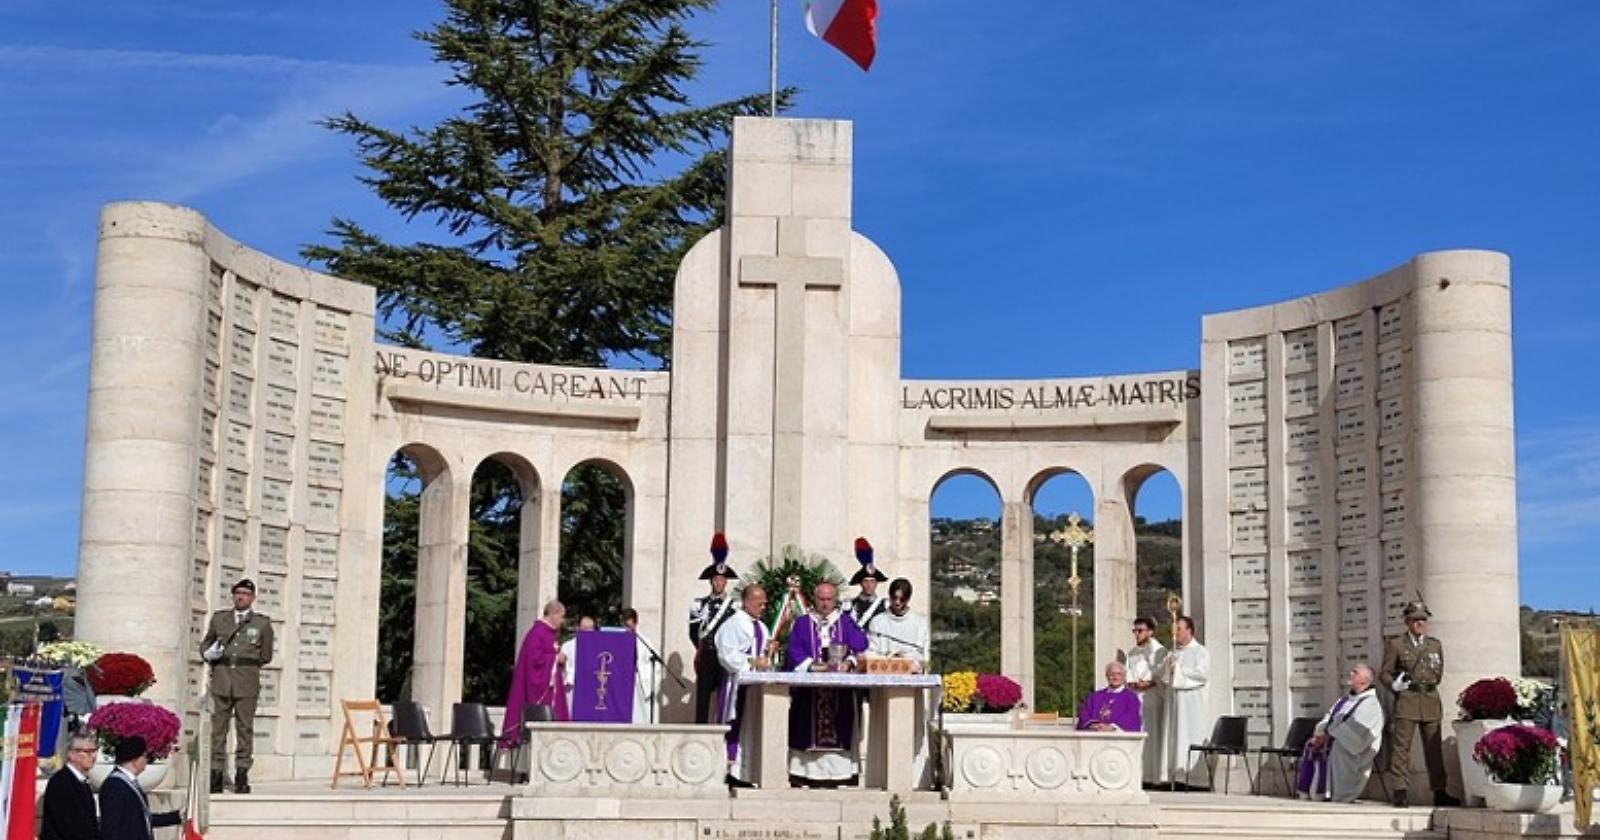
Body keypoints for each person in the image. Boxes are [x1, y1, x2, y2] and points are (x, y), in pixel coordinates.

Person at [785, 581, 870, 787]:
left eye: (829, 599)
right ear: (815, 599)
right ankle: (804, 772)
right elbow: (793, 651)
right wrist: (812, 666)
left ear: (835, 600)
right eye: (821, 599)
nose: (825, 604)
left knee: (841, 723)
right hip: (810, 688)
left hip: (839, 688)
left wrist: (848, 663)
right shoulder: (803, 623)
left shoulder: (845, 622)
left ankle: (839, 773)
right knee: (805, 724)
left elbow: (860, 645)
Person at [1379, 599, 1459, 808]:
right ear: (1407, 621)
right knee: (1401, 749)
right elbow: (1384, 673)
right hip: (1407, 700)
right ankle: (1400, 791)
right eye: (1415, 620)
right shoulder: (1396, 644)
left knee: (1434, 749)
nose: (1419, 623)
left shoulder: (1435, 644)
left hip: (1430, 700)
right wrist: (1393, 686)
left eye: (1423, 619)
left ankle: (1440, 791)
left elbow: (1438, 673)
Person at [199, 577, 274, 794]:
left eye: (246, 594)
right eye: (238, 593)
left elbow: (266, 655)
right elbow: (206, 643)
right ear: (233, 596)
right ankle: (216, 772)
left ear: (252, 598)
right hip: (222, 679)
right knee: (218, 730)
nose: (241, 597)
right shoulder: (220, 619)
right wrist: (208, 653)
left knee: (244, 729)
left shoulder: (262, 624)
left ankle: (242, 773)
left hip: (246, 682)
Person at [1297, 663, 1385, 803]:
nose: (1350, 674)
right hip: (1334, 740)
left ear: (1364, 681)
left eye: (1355, 672)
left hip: (1354, 751)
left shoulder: (1371, 705)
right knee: (1311, 745)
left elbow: (1359, 733)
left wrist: (1329, 737)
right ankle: (1314, 792)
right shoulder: (1343, 701)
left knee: (1337, 747)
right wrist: (1320, 735)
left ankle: (1335, 793)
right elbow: (1328, 718)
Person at [715, 584, 772, 787]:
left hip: (756, 686)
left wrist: (769, 654)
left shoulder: (761, 627)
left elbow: (764, 655)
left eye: (765, 602)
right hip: (737, 685)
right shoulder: (733, 624)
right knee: (734, 727)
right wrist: (751, 662)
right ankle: (729, 771)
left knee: (751, 727)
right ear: (747, 601)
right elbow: (726, 654)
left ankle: (748, 773)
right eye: (759, 602)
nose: (763, 606)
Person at [503, 599, 571, 745]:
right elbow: (534, 662)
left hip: (551, 686)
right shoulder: (537, 633)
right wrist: (555, 658)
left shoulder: (548, 633)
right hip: (541, 690)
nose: (563, 620)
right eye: (562, 616)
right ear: (553, 613)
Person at [689, 533, 738, 724]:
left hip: (725, 655)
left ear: (726, 582)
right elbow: (693, 632)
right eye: (716, 580)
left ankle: (723, 730)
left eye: (722, 580)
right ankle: (700, 730)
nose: (719, 583)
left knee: (724, 696)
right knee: (702, 696)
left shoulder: (734, 607)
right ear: (711, 582)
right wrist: (701, 648)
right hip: (708, 654)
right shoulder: (698, 605)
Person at [1161, 615, 1210, 788]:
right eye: (1174, 629)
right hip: (1174, 703)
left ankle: (1194, 779)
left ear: (1189, 630)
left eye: (1179, 629)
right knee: (1174, 737)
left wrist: (1179, 670)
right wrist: (1169, 666)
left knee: (1189, 736)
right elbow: (1165, 678)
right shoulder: (1172, 652)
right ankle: (1173, 777)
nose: (1175, 633)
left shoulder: (1200, 651)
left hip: (1191, 705)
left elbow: (1202, 674)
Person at [98, 736, 180, 840]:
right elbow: (112, 829)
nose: (146, 760)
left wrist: (175, 817)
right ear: (135, 760)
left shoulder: (130, 783)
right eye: (144, 756)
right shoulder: (114, 786)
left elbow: (142, 819)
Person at [1126, 617, 1168, 784]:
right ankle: (1140, 774)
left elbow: (1162, 674)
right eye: (1134, 631)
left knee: (1153, 735)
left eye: (1140, 630)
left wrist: (1150, 682)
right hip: (1137, 696)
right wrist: (1132, 682)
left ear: (1150, 632)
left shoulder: (1159, 651)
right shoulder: (1133, 653)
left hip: (1152, 697)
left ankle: (1155, 776)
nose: (1136, 634)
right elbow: (1128, 671)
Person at [41, 732, 100, 840]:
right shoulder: (60, 782)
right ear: (72, 754)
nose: (93, 756)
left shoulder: (83, 782)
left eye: (94, 751)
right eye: (87, 751)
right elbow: (67, 825)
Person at [867, 578, 929, 671]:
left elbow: (924, 656)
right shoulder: (877, 622)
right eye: (894, 598)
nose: (897, 602)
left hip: (912, 680)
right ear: (889, 596)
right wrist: (892, 659)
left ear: (908, 599)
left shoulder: (921, 624)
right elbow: (870, 654)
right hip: (883, 677)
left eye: (902, 599)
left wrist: (904, 660)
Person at [622, 608, 663, 724]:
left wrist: (650, 685)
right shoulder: (617, 641)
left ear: (635, 623)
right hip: (623, 682)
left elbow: (657, 668)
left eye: (630, 625)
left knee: (641, 715)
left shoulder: (645, 643)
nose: (627, 629)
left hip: (639, 682)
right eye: (625, 625)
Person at [1077, 662, 1142, 733]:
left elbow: (1132, 716)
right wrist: (1092, 725)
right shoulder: (1095, 696)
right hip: (1095, 736)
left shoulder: (1131, 697)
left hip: (1119, 738)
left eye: (1119, 674)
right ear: (1107, 676)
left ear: (1124, 676)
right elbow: (1084, 714)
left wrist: (1112, 727)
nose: (1115, 677)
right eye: (1112, 674)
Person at [847, 537, 890, 628]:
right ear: (861, 583)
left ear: (876, 583)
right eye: (865, 581)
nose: (869, 585)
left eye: (872, 581)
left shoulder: (885, 605)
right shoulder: (849, 605)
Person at [559, 615, 597, 712]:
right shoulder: (567, 645)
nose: (588, 631)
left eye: (590, 628)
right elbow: (561, 663)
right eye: (585, 628)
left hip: (592, 687)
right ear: (578, 628)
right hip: (573, 688)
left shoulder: (598, 647)